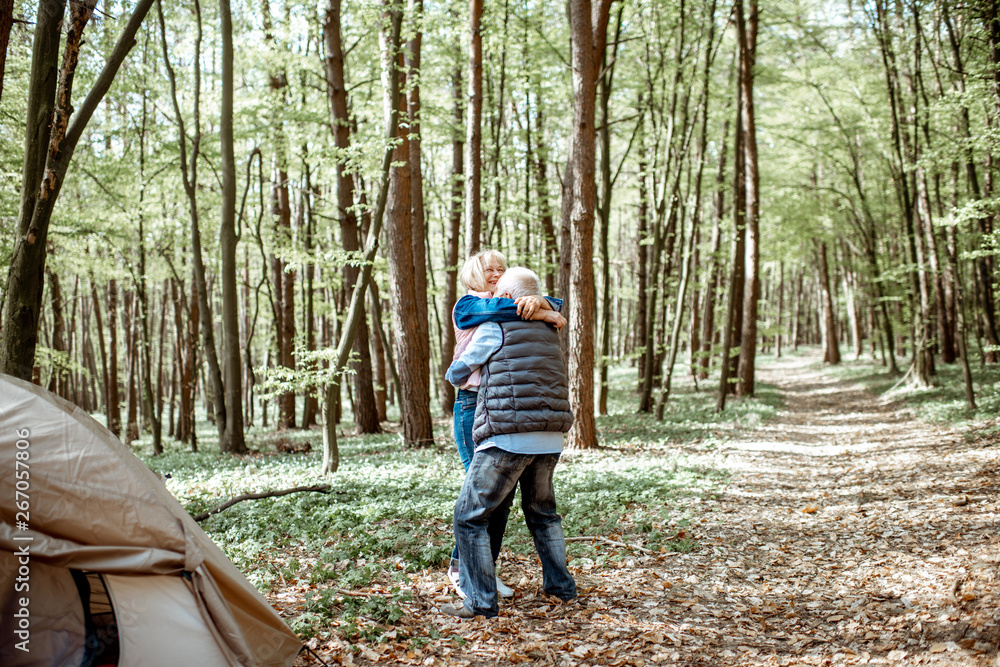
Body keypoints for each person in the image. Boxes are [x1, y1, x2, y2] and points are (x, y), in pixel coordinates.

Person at [441, 267, 577, 619]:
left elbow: (462, 368)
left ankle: (480, 602)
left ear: (507, 297)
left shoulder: (493, 326)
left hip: (507, 435)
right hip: (549, 439)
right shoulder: (550, 327)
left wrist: (456, 373)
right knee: (543, 514)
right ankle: (561, 589)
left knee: (468, 516)